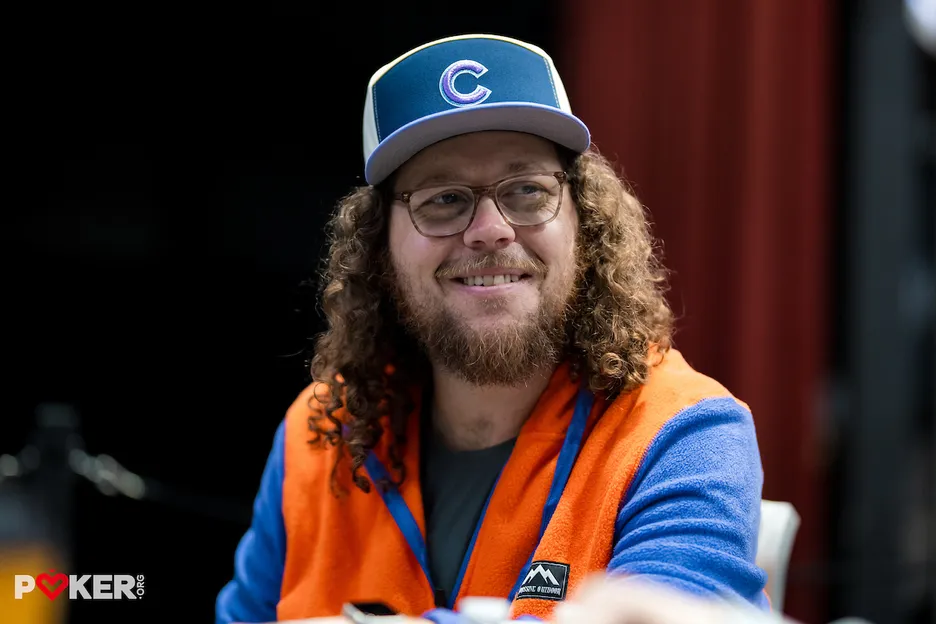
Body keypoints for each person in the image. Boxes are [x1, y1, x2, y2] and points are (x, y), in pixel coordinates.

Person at [215, 33, 770, 623]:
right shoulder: (318, 433)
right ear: (380, 248)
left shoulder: (683, 433)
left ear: (585, 223)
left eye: (527, 190)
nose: (489, 229)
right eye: (444, 198)